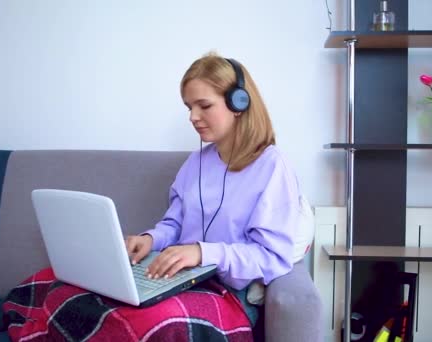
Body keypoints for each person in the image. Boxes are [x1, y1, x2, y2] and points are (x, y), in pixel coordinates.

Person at [125, 52, 302, 327]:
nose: (193, 117)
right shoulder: (195, 162)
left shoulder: (272, 166)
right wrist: (150, 239)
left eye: (204, 105)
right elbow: (174, 223)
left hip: (229, 294)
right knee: (72, 292)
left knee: (151, 319)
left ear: (238, 103)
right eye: (189, 107)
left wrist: (202, 252)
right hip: (182, 279)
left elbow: (271, 257)